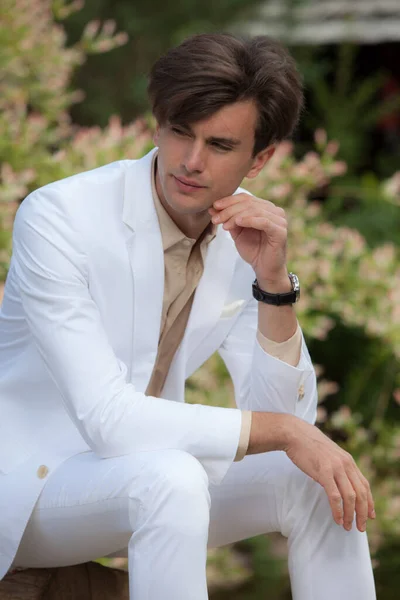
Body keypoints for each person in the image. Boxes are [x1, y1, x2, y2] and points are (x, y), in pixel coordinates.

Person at [0, 33, 376, 599]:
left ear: (262, 157)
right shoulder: (61, 217)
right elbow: (109, 418)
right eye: (180, 132)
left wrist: (273, 286)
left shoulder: (239, 237)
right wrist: (288, 431)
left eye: (220, 145)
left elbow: (283, 418)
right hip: (30, 487)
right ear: (158, 124)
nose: (191, 162)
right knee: (170, 478)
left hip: (135, 477)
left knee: (317, 482)